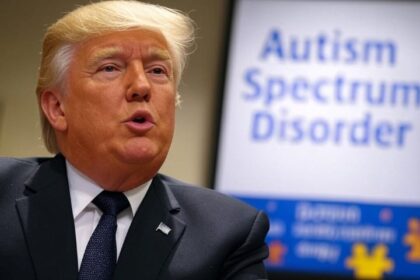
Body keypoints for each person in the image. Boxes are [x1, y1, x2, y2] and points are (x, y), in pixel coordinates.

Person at [0, 1, 269, 279]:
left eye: (157, 71)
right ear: (57, 108)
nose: (141, 86)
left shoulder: (229, 233)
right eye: (110, 68)